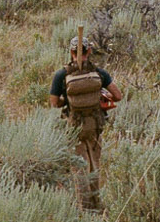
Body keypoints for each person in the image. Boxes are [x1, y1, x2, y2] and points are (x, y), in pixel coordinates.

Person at [50, 32, 120, 185]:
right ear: (89, 51)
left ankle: (84, 206)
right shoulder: (99, 73)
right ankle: (96, 203)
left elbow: (54, 102)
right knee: (95, 166)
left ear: (71, 52)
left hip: (74, 126)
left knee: (79, 169)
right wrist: (100, 99)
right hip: (95, 125)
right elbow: (118, 96)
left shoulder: (61, 75)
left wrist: (68, 101)